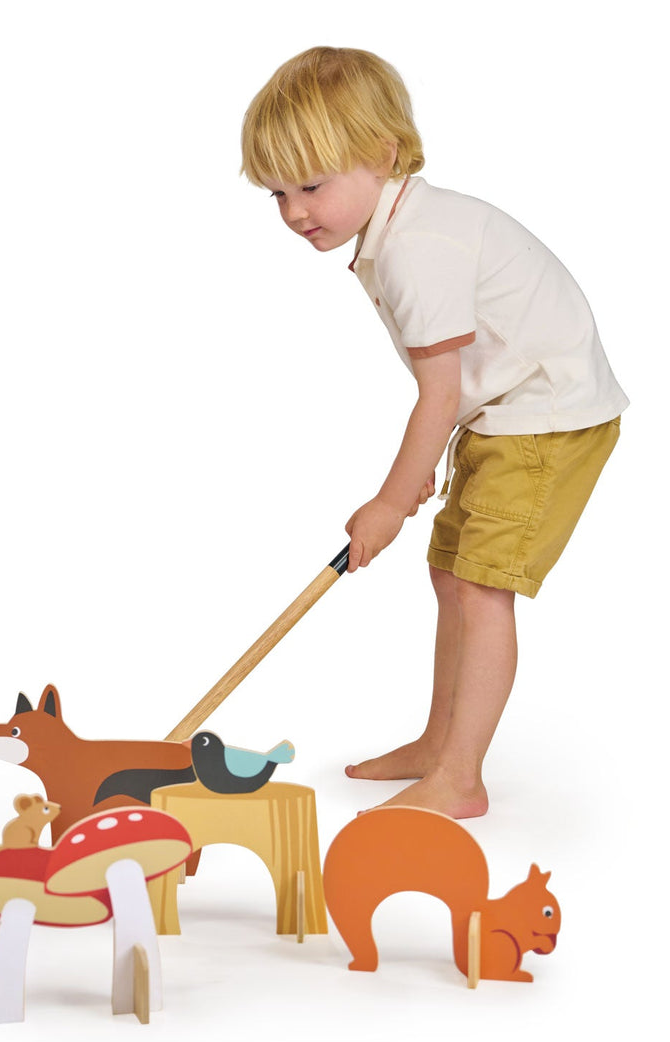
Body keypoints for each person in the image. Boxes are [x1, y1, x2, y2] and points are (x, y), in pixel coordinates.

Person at [240, 47, 628, 818]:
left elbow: (437, 391)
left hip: (547, 418)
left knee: (483, 586)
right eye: (277, 192)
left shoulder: (419, 247)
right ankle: (440, 741)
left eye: (312, 186)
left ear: (382, 153)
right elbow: (446, 386)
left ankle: (460, 779)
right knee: (450, 574)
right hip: (504, 412)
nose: (293, 212)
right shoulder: (397, 231)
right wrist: (419, 465)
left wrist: (386, 502)